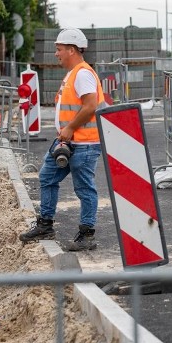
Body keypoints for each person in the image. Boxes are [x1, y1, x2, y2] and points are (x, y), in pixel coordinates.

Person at [20, 27, 105, 251]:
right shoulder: (72, 74)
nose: (56, 54)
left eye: (58, 50)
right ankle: (45, 225)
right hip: (68, 141)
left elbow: (90, 106)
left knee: (84, 188)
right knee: (47, 176)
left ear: (71, 49)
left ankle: (87, 235)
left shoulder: (83, 74)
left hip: (84, 142)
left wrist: (69, 128)